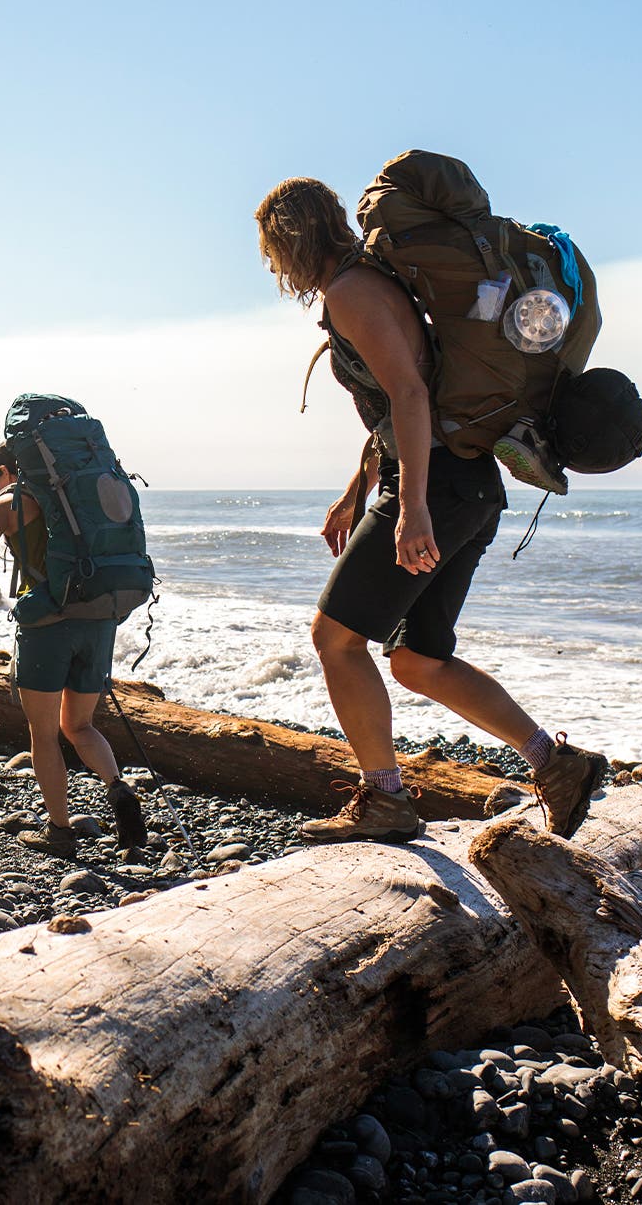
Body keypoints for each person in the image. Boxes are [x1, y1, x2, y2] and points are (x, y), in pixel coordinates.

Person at [255, 176, 606, 840]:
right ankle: (556, 765)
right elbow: (403, 403)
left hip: (436, 485)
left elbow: (411, 396)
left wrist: (410, 506)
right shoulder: (373, 280)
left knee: (335, 640)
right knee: (420, 660)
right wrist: (356, 489)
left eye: (272, 251)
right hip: (467, 484)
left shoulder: (351, 293)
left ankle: (384, 798)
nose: (275, 266)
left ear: (288, 241)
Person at [0, 443, 148, 860]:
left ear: (7, 470)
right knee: (80, 725)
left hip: (48, 627)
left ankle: (60, 831)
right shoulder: (84, 493)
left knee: (44, 734)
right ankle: (117, 788)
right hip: (100, 620)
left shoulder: (13, 501)